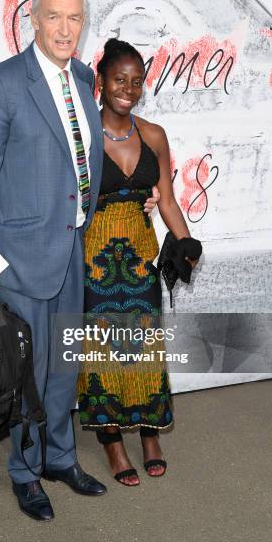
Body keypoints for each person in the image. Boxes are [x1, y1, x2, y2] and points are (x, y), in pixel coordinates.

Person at [0, 0, 159, 519]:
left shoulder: (81, 76)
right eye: (55, 16)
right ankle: (25, 473)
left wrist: (137, 196)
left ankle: (61, 458)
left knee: (64, 367)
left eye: (75, 17)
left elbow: (87, 156)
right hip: (20, 258)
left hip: (77, 248)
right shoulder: (0, 83)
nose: (65, 28)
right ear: (33, 18)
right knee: (28, 372)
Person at [77, 38, 202, 486]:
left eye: (135, 81)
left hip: (141, 255)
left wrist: (185, 240)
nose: (127, 89)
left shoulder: (153, 135)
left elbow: (166, 199)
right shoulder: (83, 134)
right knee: (103, 350)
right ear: (101, 80)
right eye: (118, 79)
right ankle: (111, 441)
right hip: (94, 257)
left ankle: (150, 434)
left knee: (146, 348)